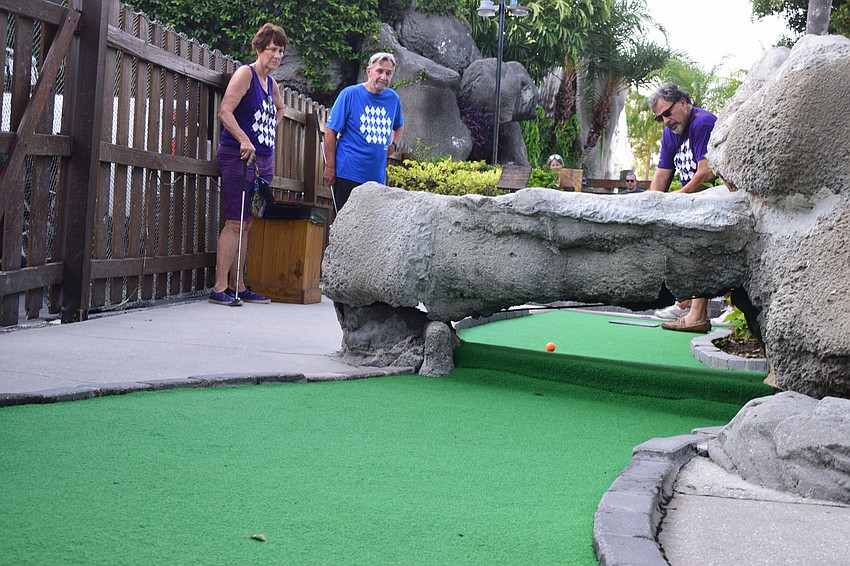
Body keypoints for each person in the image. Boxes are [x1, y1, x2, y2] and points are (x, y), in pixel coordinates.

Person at [209, 23, 287, 306]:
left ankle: (238, 285)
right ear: (258, 49)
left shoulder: (272, 84)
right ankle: (220, 288)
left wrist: (269, 128)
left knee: (248, 223)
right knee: (235, 221)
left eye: (280, 51)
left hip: (263, 160)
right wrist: (244, 139)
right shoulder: (247, 74)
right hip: (239, 157)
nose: (276, 56)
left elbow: (281, 109)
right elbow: (225, 111)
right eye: (271, 50)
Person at [648, 83, 718, 333]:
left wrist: (676, 197)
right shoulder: (670, 133)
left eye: (668, 113)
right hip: (692, 202)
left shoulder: (703, 123)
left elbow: (706, 173)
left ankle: (696, 314)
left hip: (717, 200)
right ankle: (685, 301)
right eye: (660, 117)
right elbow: (661, 175)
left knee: (697, 245)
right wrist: (648, 208)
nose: (665, 120)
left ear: (683, 103)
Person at [323, 52, 404, 211]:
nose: (383, 77)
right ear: (369, 72)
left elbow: (399, 125)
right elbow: (330, 132)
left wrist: (394, 144)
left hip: (376, 179)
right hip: (348, 173)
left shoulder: (393, 99)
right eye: (379, 71)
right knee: (345, 226)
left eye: (388, 73)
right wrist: (330, 166)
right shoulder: (350, 94)